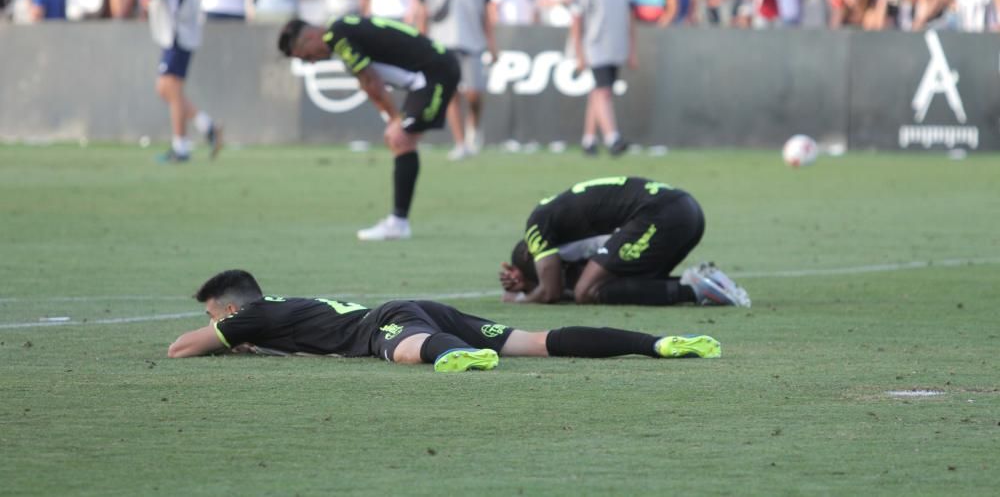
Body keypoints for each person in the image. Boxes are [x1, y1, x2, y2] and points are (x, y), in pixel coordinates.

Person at [166, 269, 723, 367]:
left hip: (385, 321)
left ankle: (452, 354)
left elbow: (181, 349)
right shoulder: (280, 310)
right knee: (534, 341)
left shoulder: (251, 316)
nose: (220, 326)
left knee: (404, 350)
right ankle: (656, 343)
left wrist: (221, 335)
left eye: (216, 316)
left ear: (231, 310)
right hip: (415, 309)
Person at [278, 16, 461, 241]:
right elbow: (367, 83)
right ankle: (399, 221)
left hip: (435, 73)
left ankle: (399, 223)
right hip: (434, 70)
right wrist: (391, 118)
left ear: (310, 37)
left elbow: (370, 80)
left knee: (400, 139)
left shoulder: (337, 36)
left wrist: (395, 119)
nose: (312, 62)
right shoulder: (342, 30)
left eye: (306, 56)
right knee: (399, 139)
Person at [498, 176, 751, 307]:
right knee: (614, 285)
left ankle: (696, 290)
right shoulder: (563, 227)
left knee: (586, 291)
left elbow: (551, 291)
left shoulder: (536, 228)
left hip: (659, 213)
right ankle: (710, 284)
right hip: (684, 209)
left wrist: (522, 299)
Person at [142, 0, 221, 163]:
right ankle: (208, 127)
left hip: (179, 34)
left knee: (173, 90)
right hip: (174, 35)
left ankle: (181, 146)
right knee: (164, 89)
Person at [415, 0, 495, 161]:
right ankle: (460, 143)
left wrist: (492, 44)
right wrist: (421, 43)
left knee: (474, 94)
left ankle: (474, 127)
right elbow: (423, 12)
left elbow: (486, 15)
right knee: (451, 95)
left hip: (472, 42)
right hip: (443, 43)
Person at [570, 0, 634, 156]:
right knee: (604, 91)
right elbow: (577, 22)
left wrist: (631, 49)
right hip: (595, 47)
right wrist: (579, 53)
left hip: (615, 46)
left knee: (598, 92)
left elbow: (629, 18)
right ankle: (612, 137)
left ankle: (588, 139)